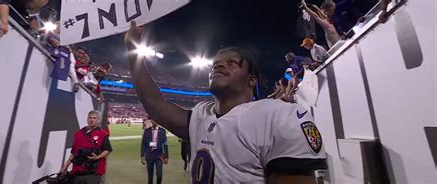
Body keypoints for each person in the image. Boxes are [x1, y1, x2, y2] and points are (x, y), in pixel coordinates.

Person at [124, 21, 327, 183]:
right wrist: (133, 51)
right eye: (216, 64)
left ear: (252, 79)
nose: (220, 66)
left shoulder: (279, 116)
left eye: (232, 63)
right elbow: (156, 105)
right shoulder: (202, 115)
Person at [60, 110, 112, 184]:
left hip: (93, 174)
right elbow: (74, 152)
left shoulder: (102, 134)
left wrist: (97, 157)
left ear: (98, 120)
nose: (91, 120)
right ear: (87, 119)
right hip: (77, 172)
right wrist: (65, 166)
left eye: (94, 118)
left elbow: (107, 149)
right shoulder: (79, 133)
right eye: (90, 118)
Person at [140, 119, 169, 184]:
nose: (155, 121)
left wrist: (166, 156)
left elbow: (165, 144)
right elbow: (143, 144)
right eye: (153, 120)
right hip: (149, 155)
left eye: (156, 120)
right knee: (150, 177)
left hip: (159, 155)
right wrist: (142, 155)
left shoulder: (162, 131)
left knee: (159, 175)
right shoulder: (147, 131)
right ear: (151, 121)